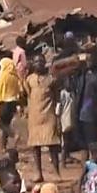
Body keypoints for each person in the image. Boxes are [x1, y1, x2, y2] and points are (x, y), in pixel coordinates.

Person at [25, 54, 61, 182]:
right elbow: (28, 95)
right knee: (35, 146)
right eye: (36, 62)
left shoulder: (51, 79)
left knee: (53, 144)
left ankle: (56, 172)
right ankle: (38, 172)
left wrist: (58, 111)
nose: (38, 64)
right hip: (35, 116)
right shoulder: (29, 79)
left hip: (49, 115)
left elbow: (57, 96)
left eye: (41, 61)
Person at [0, 57, 22, 150]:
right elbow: (19, 90)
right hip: (13, 102)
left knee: (0, 123)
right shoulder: (14, 76)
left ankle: (14, 135)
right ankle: (3, 146)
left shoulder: (3, 75)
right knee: (6, 123)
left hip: (4, 101)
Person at [59, 77, 75, 166]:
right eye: (67, 82)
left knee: (68, 141)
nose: (69, 84)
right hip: (64, 120)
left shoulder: (72, 93)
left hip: (71, 120)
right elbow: (59, 108)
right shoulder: (63, 94)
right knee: (64, 142)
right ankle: (63, 162)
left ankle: (66, 157)